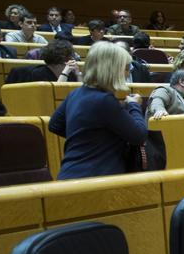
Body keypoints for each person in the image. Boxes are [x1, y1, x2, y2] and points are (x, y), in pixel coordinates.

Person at [47, 42, 147, 179]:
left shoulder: (75, 93)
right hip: (96, 177)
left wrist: (90, 138)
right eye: (126, 67)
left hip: (69, 174)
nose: (128, 72)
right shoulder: (105, 100)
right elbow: (139, 136)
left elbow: (54, 125)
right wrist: (134, 106)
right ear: (113, 69)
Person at [5, 40, 81, 84]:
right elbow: (55, 94)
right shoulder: (37, 74)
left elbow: (80, 94)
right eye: (70, 56)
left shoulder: (71, 74)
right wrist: (64, 73)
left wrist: (78, 74)